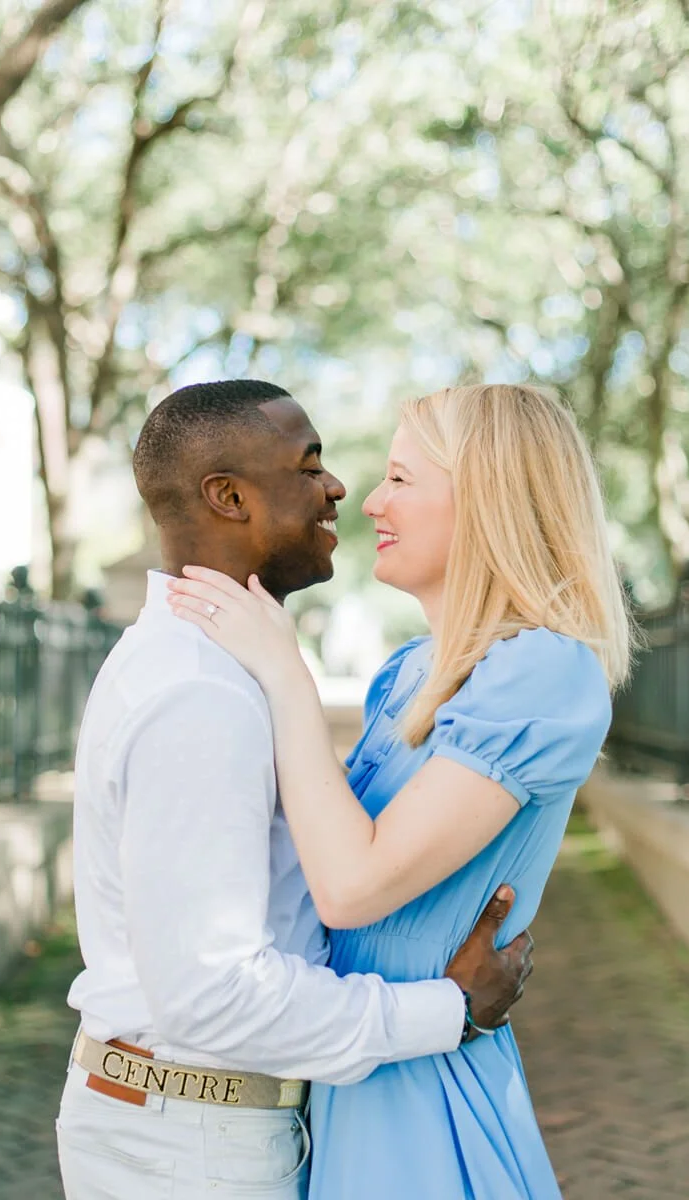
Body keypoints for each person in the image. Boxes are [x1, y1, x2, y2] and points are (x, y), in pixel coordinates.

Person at [56, 380, 534, 1200]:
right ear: (229, 497)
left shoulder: (212, 668)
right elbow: (213, 996)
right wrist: (446, 1010)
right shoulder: (199, 695)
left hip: (189, 1126)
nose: (338, 487)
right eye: (309, 464)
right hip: (197, 1145)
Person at [168, 382, 633, 1200]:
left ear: (489, 499)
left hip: (424, 1105)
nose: (371, 500)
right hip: (352, 1080)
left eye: (403, 478)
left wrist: (285, 673)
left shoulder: (544, 670)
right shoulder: (408, 675)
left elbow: (350, 888)